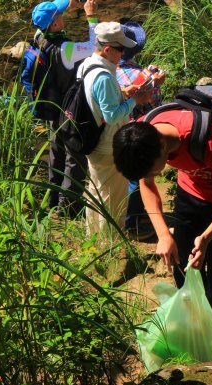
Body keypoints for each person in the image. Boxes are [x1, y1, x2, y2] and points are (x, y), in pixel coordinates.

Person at [112, 111, 212, 357]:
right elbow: (147, 185)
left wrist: (208, 237)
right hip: (190, 193)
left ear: (161, 145)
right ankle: (193, 335)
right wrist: (164, 236)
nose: (154, 175)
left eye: (154, 170)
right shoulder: (142, 134)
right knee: (183, 269)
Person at [77, 21, 152, 238]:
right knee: (113, 197)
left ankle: (92, 238)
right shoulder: (104, 76)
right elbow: (111, 116)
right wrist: (135, 100)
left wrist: (123, 92)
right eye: (121, 50)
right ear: (108, 49)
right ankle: (109, 242)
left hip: (91, 140)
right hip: (107, 145)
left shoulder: (87, 64)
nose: (123, 54)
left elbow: (98, 98)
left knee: (96, 191)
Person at [27, 0, 99, 218]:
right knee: (74, 158)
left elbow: (50, 17)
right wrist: (91, 17)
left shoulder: (39, 38)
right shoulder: (66, 49)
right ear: (56, 24)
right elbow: (94, 47)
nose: (63, 17)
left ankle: (53, 202)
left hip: (52, 107)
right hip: (70, 109)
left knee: (56, 153)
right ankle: (68, 210)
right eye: (59, 15)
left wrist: (68, 4)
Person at [115, 21, 165, 241]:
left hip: (119, 127)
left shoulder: (109, 68)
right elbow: (153, 102)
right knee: (139, 174)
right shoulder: (138, 73)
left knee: (128, 172)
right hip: (138, 127)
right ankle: (133, 223)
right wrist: (156, 83)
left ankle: (129, 216)